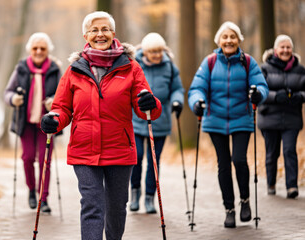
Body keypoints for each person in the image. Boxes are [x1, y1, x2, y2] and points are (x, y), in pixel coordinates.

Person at [40, 11, 162, 240]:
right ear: (85, 35)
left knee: (116, 208)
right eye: (94, 30)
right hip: (84, 149)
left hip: (119, 148)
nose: (100, 34)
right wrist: (53, 119)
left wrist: (150, 102)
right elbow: (62, 107)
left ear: (113, 33)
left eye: (105, 29)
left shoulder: (131, 67)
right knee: (92, 206)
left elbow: (147, 109)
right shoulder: (74, 69)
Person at [188, 21, 268, 228]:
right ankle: (229, 209)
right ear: (219, 41)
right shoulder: (210, 62)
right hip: (215, 119)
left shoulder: (248, 62)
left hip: (241, 118)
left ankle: (245, 200)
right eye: (225, 37)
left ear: (239, 40)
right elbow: (197, 87)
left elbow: (261, 85)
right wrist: (197, 102)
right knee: (223, 164)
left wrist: (258, 94)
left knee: (239, 160)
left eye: (233, 36)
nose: (229, 40)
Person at [4, 32, 61, 213]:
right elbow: (8, 93)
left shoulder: (55, 69)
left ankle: (43, 199)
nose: (38, 51)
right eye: (35, 48)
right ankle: (31, 190)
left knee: (45, 161)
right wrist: (14, 99)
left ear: (47, 51)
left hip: (47, 124)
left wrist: (55, 102)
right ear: (30, 49)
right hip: (26, 122)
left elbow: (64, 96)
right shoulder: (21, 68)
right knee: (28, 158)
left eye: (42, 48)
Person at [130, 33, 184, 213]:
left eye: (159, 51)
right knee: (136, 157)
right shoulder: (134, 64)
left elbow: (177, 89)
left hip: (161, 120)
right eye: (152, 51)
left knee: (154, 160)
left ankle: (149, 198)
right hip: (137, 119)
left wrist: (177, 101)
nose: (156, 54)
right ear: (144, 51)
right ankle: (135, 193)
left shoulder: (169, 66)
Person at [258, 34, 305, 199]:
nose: (285, 50)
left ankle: (292, 186)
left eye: (288, 47)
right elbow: (259, 91)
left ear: (292, 50)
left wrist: (300, 96)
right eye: (282, 47)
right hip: (269, 117)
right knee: (272, 153)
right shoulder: (264, 68)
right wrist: (275, 96)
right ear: (275, 50)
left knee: (289, 150)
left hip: (292, 116)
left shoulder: (300, 69)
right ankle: (271, 183)